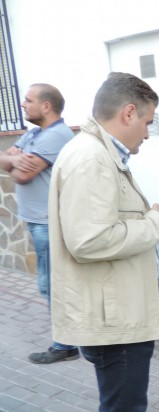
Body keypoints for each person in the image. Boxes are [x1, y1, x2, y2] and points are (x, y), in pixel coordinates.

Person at [48, 72, 159, 412]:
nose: (147, 132)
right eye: (147, 122)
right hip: (114, 319)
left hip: (117, 312)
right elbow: (88, 241)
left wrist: (146, 222)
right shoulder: (91, 159)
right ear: (128, 113)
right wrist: (155, 224)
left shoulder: (100, 154)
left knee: (126, 408)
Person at [0, 83, 79, 364]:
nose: (23, 104)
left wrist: (15, 161)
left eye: (28, 100)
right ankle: (69, 340)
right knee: (51, 284)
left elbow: (21, 176)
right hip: (37, 220)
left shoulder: (56, 135)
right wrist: (14, 160)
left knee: (52, 286)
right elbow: (3, 159)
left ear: (46, 106)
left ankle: (65, 345)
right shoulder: (35, 133)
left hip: (48, 223)